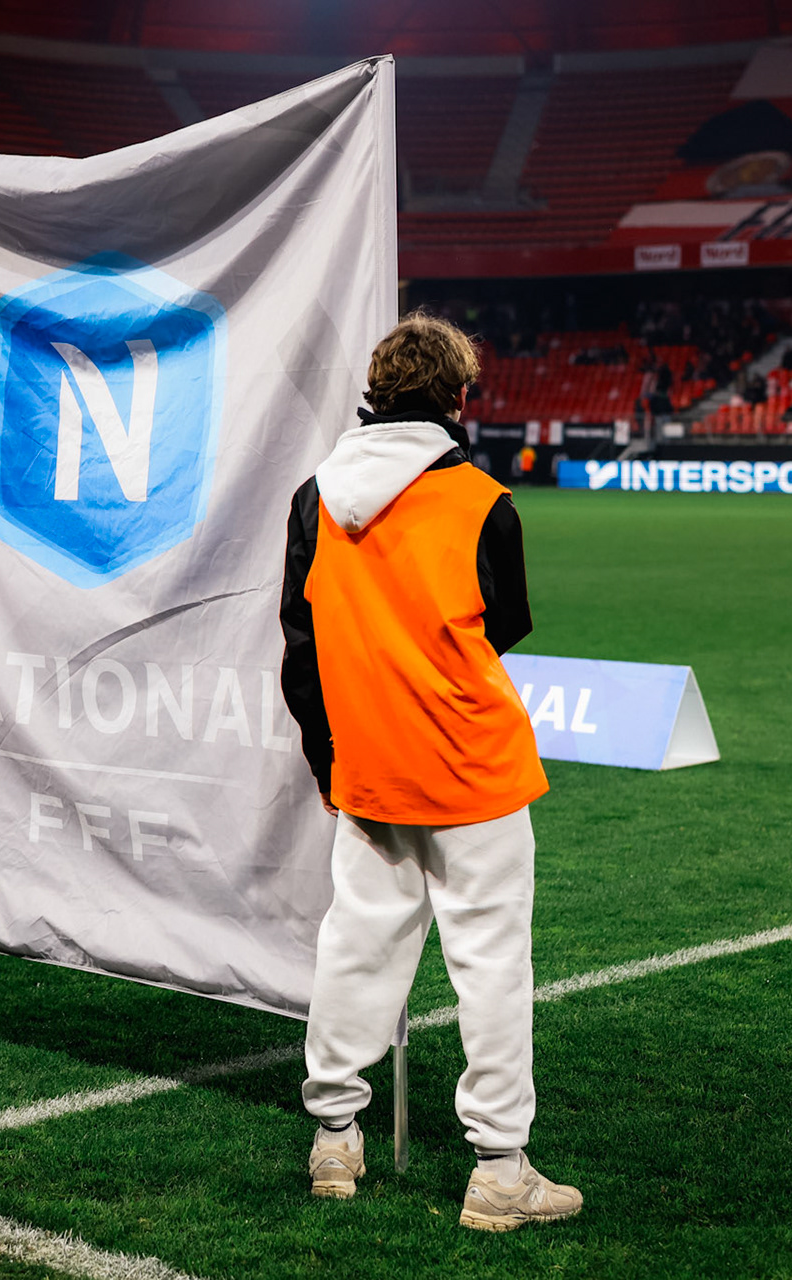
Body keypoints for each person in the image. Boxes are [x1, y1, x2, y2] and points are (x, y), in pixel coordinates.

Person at [279, 313, 579, 1231]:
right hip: (473, 768)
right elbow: (507, 624)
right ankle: (499, 1169)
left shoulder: (313, 497)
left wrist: (329, 759)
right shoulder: (484, 500)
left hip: (369, 764)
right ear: (458, 396)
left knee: (355, 948)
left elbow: (301, 650)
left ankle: (335, 1136)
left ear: (375, 393)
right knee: (491, 968)